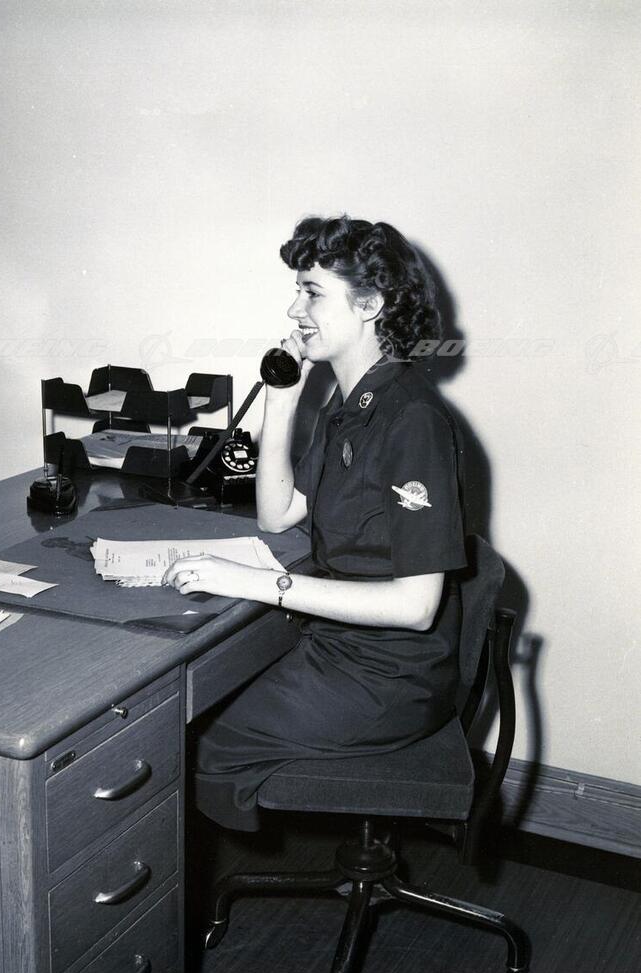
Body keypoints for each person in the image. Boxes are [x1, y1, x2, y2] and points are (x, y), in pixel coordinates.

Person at [163, 214, 466, 831]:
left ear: (370, 305)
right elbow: (278, 513)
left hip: (389, 673)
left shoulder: (411, 420)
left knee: (190, 743)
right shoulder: (351, 401)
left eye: (312, 293)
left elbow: (416, 607)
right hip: (341, 646)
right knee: (188, 713)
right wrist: (283, 398)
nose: (294, 308)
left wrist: (250, 581)